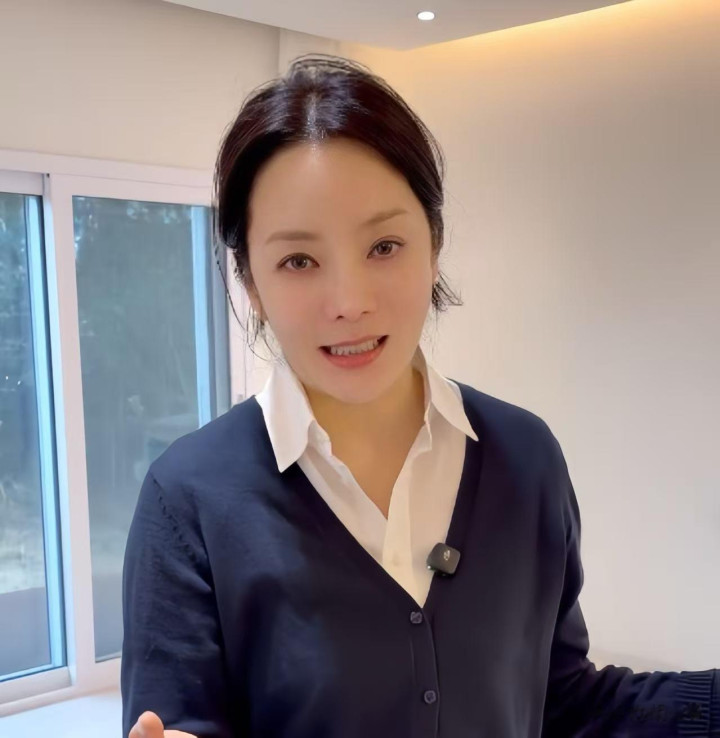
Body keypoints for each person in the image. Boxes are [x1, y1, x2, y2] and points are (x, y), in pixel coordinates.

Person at [121, 54, 719, 738]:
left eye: (384, 246)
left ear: (433, 244)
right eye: (298, 261)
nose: (349, 302)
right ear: (250, 282)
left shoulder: (524, 457)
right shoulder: (188, 502)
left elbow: (561, 702)